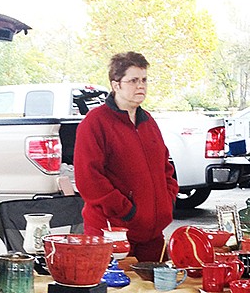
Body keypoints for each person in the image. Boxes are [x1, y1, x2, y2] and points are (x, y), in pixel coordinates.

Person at [73, 51, 178, 262]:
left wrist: (168, 201)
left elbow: (165, 166)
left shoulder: (148, 120)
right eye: (133, 80)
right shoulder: (95, 123)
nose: (141, 86)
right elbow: (89, 179)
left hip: (152, 235)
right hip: (113, 232)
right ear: (115, 84)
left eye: (144, 80)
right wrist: (127, 210)